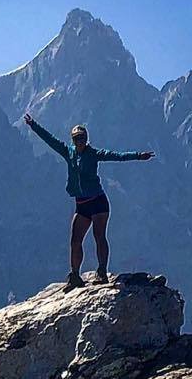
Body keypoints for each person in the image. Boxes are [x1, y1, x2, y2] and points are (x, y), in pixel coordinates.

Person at [24, 114, 154, 290]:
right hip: (82, 204)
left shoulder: (93, 154)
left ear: (86, 139)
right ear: (73, 140)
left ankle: (101, 271)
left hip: (98, 202)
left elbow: (116, 156)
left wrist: (138, 156)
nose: (80, 141)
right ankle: (75, 275)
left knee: (99, 236)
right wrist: (33, 125)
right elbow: (50, 139)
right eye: (77, 138)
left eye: (82, 138)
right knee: (75, 240)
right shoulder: (67, 152)